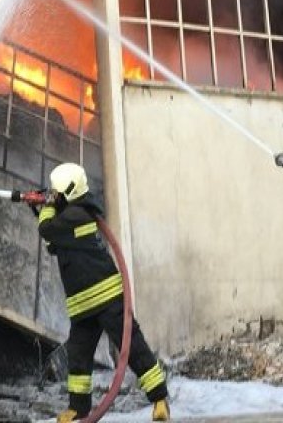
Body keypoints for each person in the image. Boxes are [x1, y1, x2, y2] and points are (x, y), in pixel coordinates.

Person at [38, 163, 169, 422]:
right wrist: (43, 205)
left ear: (69, 192)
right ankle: (79, 408)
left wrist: (47, 206)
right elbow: (56, 243)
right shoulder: (73, 214)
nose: (54, 194)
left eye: (57, 191)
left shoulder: (78, 213)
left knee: (132, 348)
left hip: (106, 298)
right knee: (78, 359)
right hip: (83, 304)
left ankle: (160, 400)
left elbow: (47, 230)